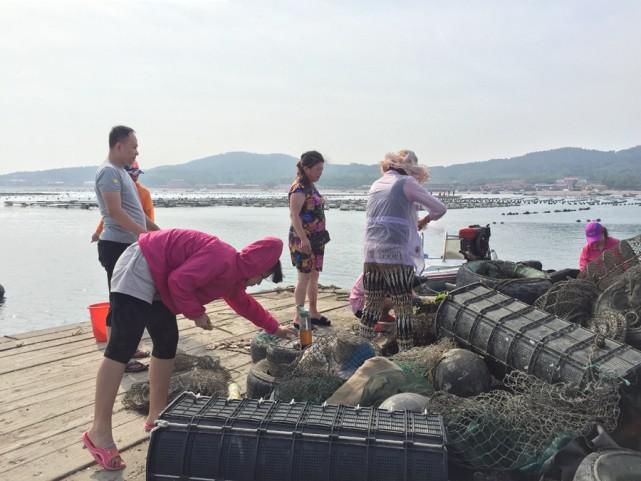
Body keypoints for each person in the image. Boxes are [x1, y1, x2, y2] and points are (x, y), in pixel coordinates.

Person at [82, 229, 297, 471]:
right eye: (263, 276)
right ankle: (98, 431)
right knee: (122, 346)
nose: (258, 282)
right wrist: (196, 314)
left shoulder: (233, 277)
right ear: (258, 265)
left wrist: (275, 328)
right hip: (140, 264)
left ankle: (156, 416)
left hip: (158, 278)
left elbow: (244, 304)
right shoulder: (222, 257)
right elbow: (179, 281)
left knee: (166, 341)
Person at [359, 150, 447, 351]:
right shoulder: (406, 183)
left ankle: (361, 350)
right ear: (412, 169)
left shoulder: (378, 183)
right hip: (395, 253)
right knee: (403, 304)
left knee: (371, 303)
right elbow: (440, 209)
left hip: (371, 251)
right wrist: (424, 220)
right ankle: (406, 354)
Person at [94, 126, 159, 372]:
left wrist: (158, 233)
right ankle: (118, 355)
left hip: (129, 244)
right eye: (133, 147)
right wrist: (143, 235)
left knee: (129, 300)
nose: (136, 152)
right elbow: (115, 212)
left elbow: (138, 214)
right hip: (116, 245)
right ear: (119, 146)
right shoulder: (108, 173)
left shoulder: (121, 173)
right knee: (119, 301)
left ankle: (127, 348)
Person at [288, 151, 331, 328]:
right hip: (303, 239)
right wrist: (303, 238)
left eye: (322, 169)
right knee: (304, 277)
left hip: (317, 239)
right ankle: (299, 316)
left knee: (314, 275)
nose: (320, 172)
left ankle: (313, 311)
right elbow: (294, 216)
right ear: (306, 168)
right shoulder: (298, 188)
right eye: (318, 169)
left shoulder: (312, 186)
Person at [92, 161, 154, 242]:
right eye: (132, 174)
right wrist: (97, 232)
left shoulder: (144, 192)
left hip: (137, 237)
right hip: (117, 236)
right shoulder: (116, 189)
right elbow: (111, 213)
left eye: (137, 173)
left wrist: (151, 236)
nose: (135, 177)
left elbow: (148, 215)